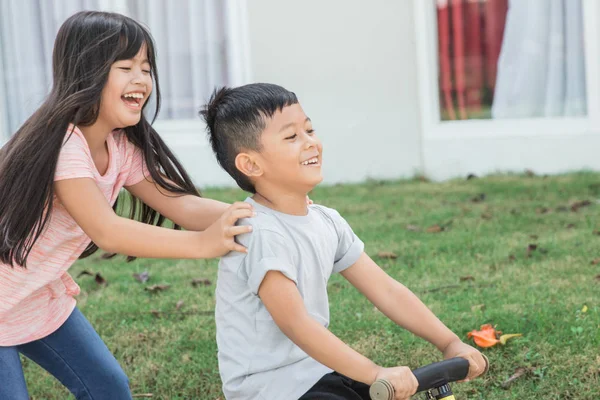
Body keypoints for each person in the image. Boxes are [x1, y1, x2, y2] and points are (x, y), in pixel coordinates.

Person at [0, 11, 254, 400]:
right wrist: (203, 244)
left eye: (147, 68)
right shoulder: (64, 144)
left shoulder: (120, 145)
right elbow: (108, 230)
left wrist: (258, 215)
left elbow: (180, 205)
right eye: (126, 67)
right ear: (86, 72)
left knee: (108, 388)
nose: (142, 80)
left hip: (34, 295)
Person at [201, 83, 488, 400]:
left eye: (309, 130)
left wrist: (448, 342)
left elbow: (387, 290)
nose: (310, 143)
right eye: (292, 137)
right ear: (252, 165)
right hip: (270, 388)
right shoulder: (260, 232)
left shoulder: (326, 221)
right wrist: (374, 373)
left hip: (318, 371)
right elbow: (296, 324)